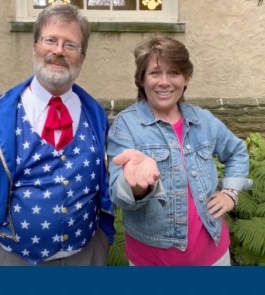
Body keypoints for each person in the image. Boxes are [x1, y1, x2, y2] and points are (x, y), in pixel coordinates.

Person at [0, 3, 141, 266]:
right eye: (50, 40)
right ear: (34, 46)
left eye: (70, 45)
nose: (58, 51)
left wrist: (103, 239)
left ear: (82, 57)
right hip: (13, 260)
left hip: (86, 256)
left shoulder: (95, 114)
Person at [107, 35, 253, 266]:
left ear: (186, 79)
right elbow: (119, 196)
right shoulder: (126, 126)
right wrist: (136, 184)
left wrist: (231, 193)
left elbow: (237, 151)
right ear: (142, 80)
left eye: (173, 72)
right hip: (152, 261)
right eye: (155, 73)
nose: (164, 82)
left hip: (214, 256)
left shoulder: (204, 121)